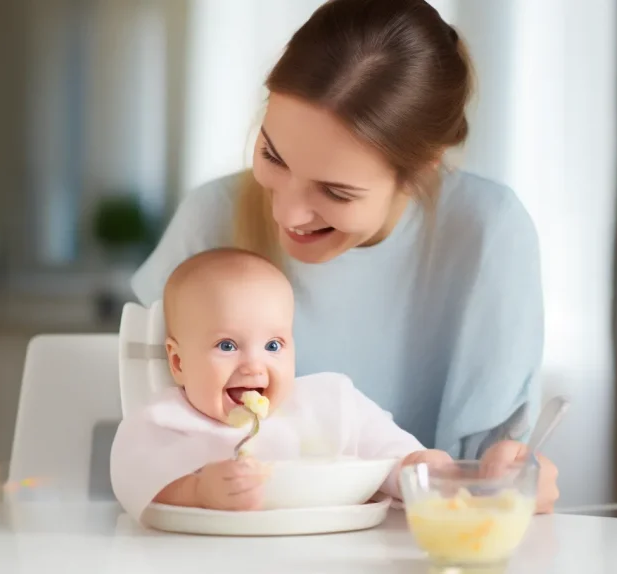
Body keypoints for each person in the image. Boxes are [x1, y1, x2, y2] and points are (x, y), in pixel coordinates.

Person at [130, 0, 559, 513]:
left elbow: (481, 477)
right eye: (272, 156)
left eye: (335, 192)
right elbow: (149, 435)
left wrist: (507, 477)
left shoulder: (489, 234)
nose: (287, 214)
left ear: (422, 168)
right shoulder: (209, 219)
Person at [110, 248, 454, 522]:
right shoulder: (165, 421)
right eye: (227, 345)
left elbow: (385, 455)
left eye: (273, 345)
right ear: (179, 363)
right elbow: (133, 478)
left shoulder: (329, 402)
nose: (254, 365)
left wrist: (415, 470)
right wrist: (198, 491)